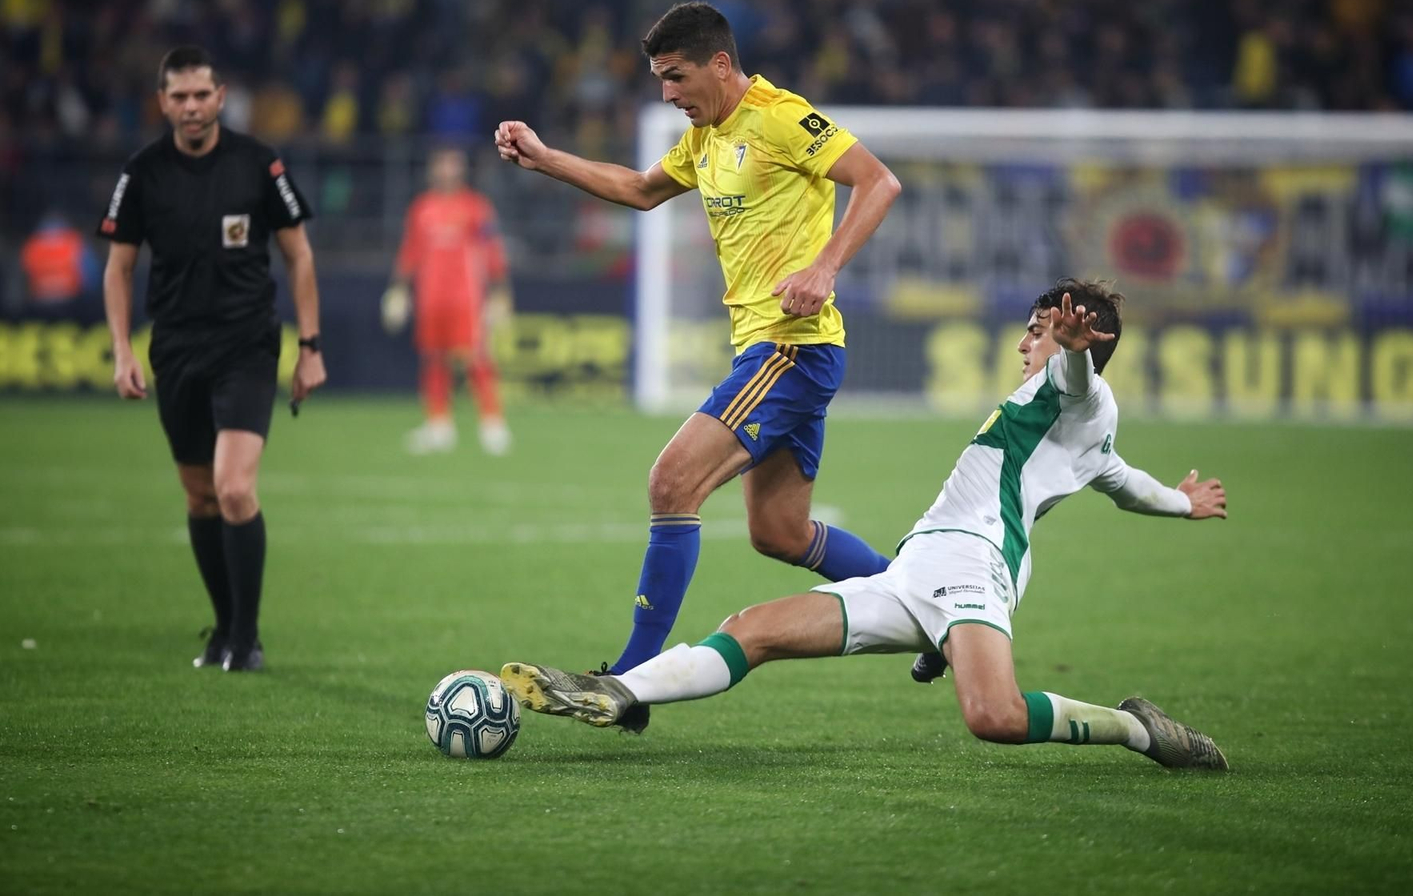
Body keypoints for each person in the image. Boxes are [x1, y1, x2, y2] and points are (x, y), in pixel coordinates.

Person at [500, 280, 1232, 770]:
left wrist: (1071, 352)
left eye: (1038, 332)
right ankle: (620, 692)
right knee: (750, 627)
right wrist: (1179, 500)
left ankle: (1136, 728)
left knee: (994, 717)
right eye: (1035, 332)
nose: (1025, 345)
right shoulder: (1088, 433)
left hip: (975, 568)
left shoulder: (1080, 395)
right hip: (916, 569)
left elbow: (1077, 383)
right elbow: (1124, 482)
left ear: (1081, 342)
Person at [495, 1, 901, 674]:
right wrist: (545, 160)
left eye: (677, 77)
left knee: (671, 483)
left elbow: (878, 181)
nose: (668, 94)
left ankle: (629, 679)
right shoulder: (707, 135)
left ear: (719, 64)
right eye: (661, 79)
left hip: (792, 348)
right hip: (770, 351)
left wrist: (824, 266)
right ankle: (931, 606)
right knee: (780, 532)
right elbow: (640, 188)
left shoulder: (778, 116)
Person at [99, 46, 326, 673]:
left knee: (232, 488)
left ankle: (246, 640)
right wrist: (122, 350)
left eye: (203, 95)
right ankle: (223, 629)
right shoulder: (142, 172)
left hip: (246, 343)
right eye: (180, 97)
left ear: (221, 96)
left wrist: (310, 347)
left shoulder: (259, 164)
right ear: (163, 102)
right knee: (199, 497)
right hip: (175, 346)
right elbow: (119, 269)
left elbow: (299, 255)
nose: (192, 107)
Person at [384, 146, 512, 455]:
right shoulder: (421, 208)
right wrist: (398, 289)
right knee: (433, 357)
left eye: (452, 165)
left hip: (465, 297)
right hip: (430, 297)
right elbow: (410, 251)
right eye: (441, 164)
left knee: (475, 357)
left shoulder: (475, 207)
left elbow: (492, 249)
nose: (446, 171)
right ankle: (439, 425)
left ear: (461, 170)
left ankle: (492, 424)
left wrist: (500, 292)